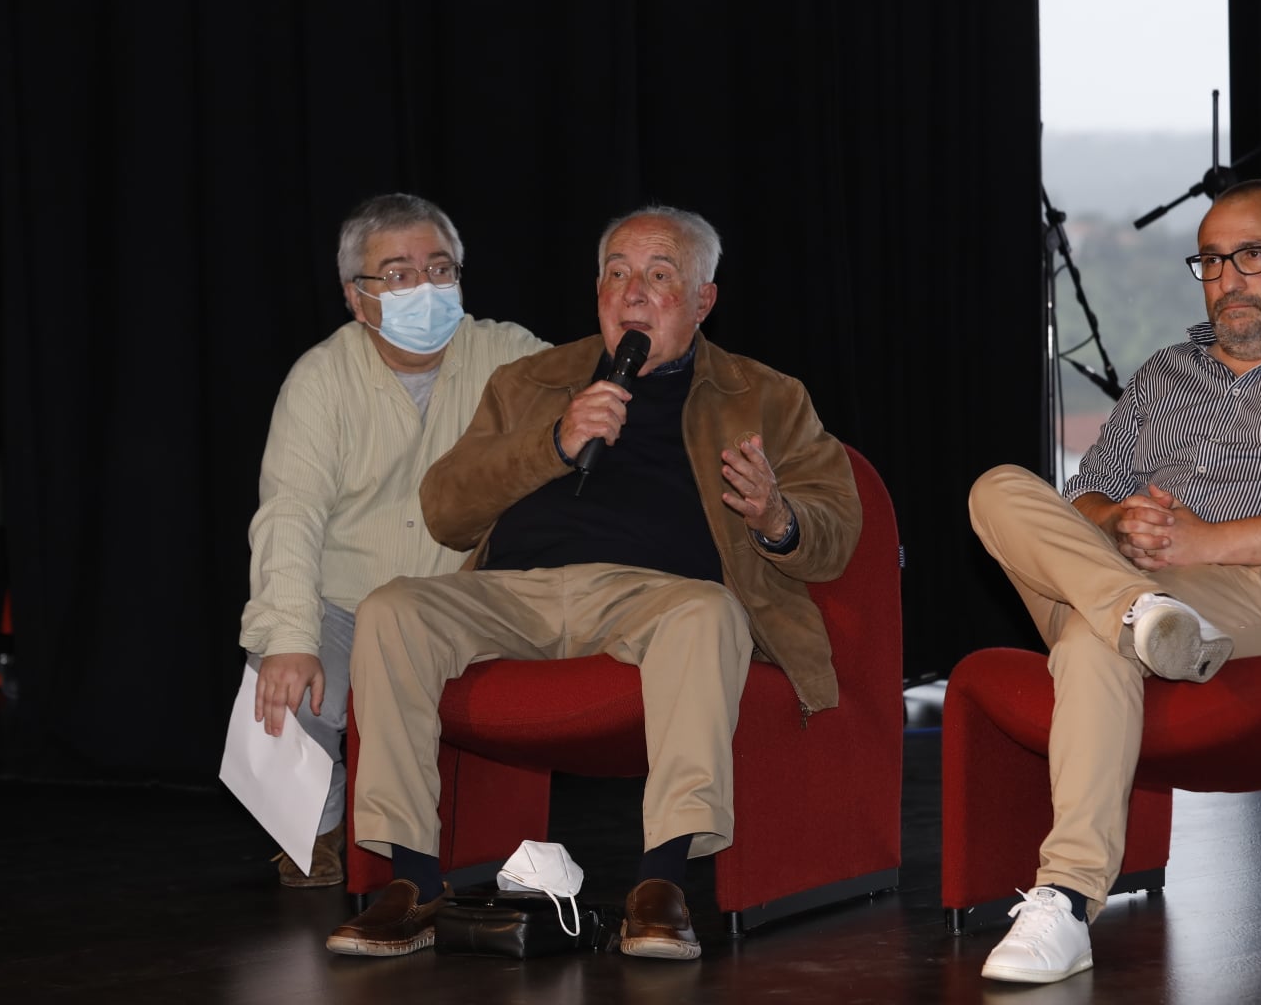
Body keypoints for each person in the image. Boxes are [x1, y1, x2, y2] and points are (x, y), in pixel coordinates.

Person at [323, 204, 862, 960]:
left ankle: (660, 885)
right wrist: (555, 441)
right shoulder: (533, 380)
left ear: (704, 300)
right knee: (392, 610)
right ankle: (413, 881)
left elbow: (838, 528)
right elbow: (446, 509)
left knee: (709, 614)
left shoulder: (765, 395)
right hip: (512, 596)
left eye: (660, 275)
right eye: (616, 275)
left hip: (656, 598)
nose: (633, 293)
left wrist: (778, 516)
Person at [966, 178, 1261, 983]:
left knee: (1087, 642)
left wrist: (1201, 543)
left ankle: (1067, 898)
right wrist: (1120, 526)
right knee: (998, 488)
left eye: (1251, 255)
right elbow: (1087, 491)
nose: (1227, 279)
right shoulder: (1165, 373)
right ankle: (1142, 615)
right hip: (1130, 577)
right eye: (1211, 262)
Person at [238, 193, 548, 887]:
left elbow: (588, 402)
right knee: (276, 675)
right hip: (350, 600)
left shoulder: (507, 354)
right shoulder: (320, 378)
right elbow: (290, 514)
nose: (427, 289)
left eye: (441, 270)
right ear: (357, 297)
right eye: (400, 275)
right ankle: (312, 833)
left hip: (463, 603)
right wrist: (290, 636)